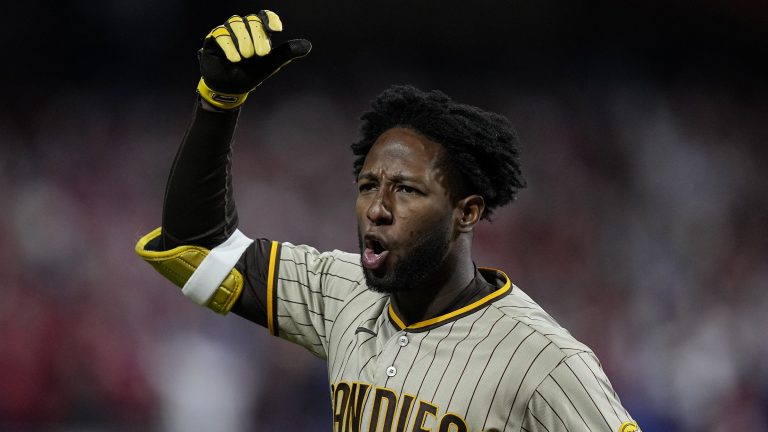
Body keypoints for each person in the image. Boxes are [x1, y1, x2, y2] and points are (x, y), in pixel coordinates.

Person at [135, 10, 641, 432]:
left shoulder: (543, 360)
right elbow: (197, 249)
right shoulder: (344, 292)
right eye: (368, 186)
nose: (377, 208)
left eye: (406, 189)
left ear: (466, 212)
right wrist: (218, 104)